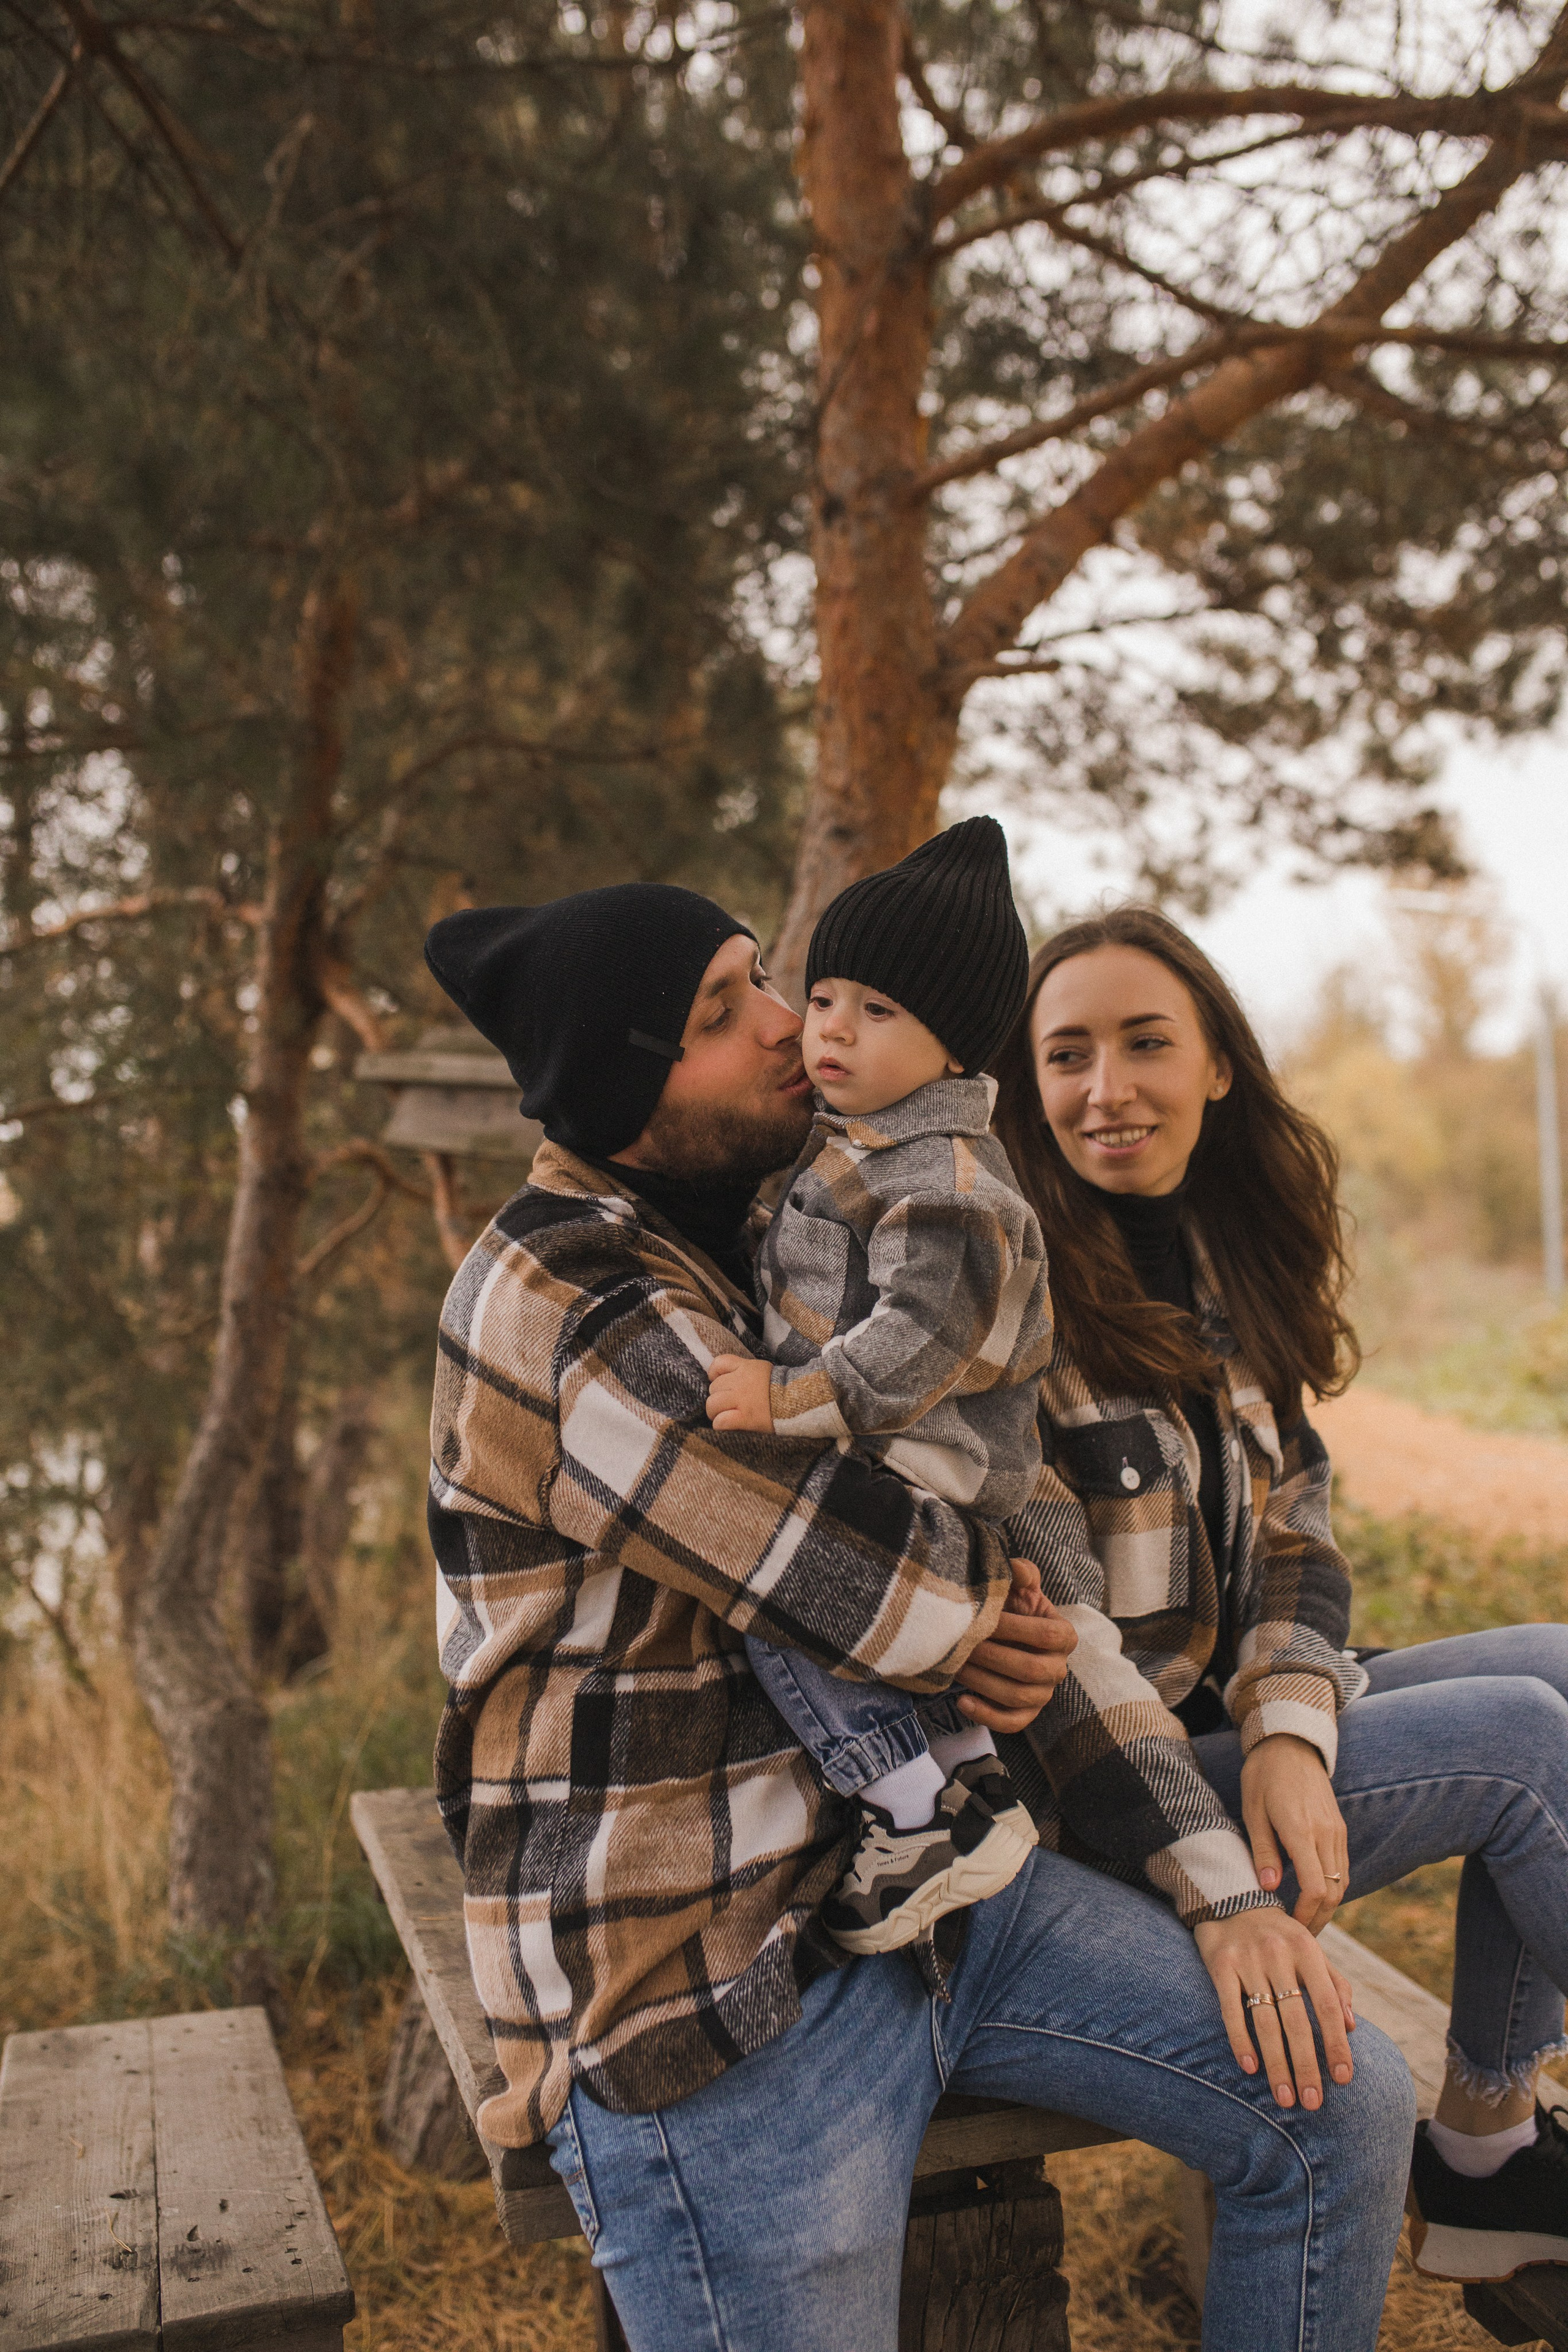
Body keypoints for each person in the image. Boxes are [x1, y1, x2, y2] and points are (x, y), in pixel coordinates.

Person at [420, 875, 1414, 2352]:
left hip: (929, 1889)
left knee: (1339, 2104)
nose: (789, 1028)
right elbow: (915, 1591)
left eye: (771, 979)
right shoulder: (569, 1305)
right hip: (707, 1973)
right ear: (624, 1085)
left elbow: (1017, 1563)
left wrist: (1211, 1885)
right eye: (724, 1014)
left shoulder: (768, 1222)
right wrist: (981, 1597)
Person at [992, 902, 1568, 2291]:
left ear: (1216, 1068)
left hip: (1223, 1743)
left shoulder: (1216, 1263)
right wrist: (1255, 1760)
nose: (1103, 1088)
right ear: (1028, 1089)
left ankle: (1485, 2133)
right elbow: (1065, 1650)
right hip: (1096, 1813)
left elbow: (1296, 1530)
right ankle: (1481, 2160)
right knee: (1521, 1743)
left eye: (1143, 1044)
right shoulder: (1003, 1297)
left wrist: (1289, 1727)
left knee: (1557, 1661)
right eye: (1064, 1056)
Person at [705, 820, 1052, 1958]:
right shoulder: (855, 1138)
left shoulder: (946, 1182)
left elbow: (912, 1347)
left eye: (880, 1011)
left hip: (935, 1444)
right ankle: (965, 1786)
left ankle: (904, 1811)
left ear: (956, 1051)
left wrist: (787, 1401)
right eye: (826, 997)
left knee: (780, 1581)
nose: (834, 1029)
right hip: (882, 1424)